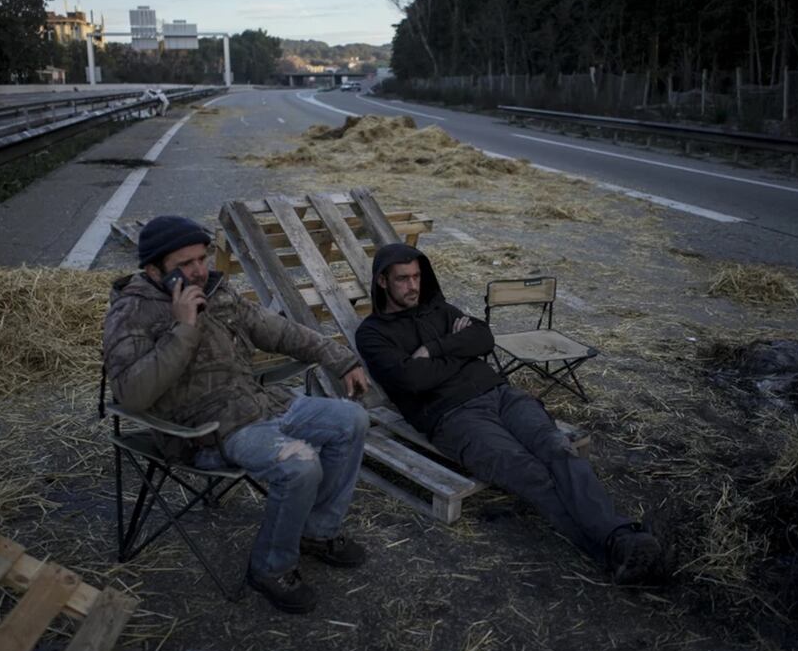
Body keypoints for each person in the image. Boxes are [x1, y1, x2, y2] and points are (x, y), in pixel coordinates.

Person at [103, 216, 372, 614]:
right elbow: (131, 394)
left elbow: (279, 332)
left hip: (259, 404)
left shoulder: (218, 292)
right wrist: (183, 329)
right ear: (152, 270)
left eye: (202, 257)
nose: (199, 270)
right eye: (186, 263)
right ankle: (270, 568)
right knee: (300, 466)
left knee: (352, 420)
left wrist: (341, 359)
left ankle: (316, 533)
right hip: (204, 431)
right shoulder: (132, 312)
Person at [355, 243, 663, 585]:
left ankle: (619, 540)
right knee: (529, 473)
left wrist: (434, 350)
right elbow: (412, 380)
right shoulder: (372, 334)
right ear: (382, 281)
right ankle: (618, 543)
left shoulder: (440, 310)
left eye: (416, 277)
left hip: (502, 395)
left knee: (558, 449)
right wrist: (460, 352)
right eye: (402, 279)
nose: (413, 286)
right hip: (455, 418)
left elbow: (484, 338)